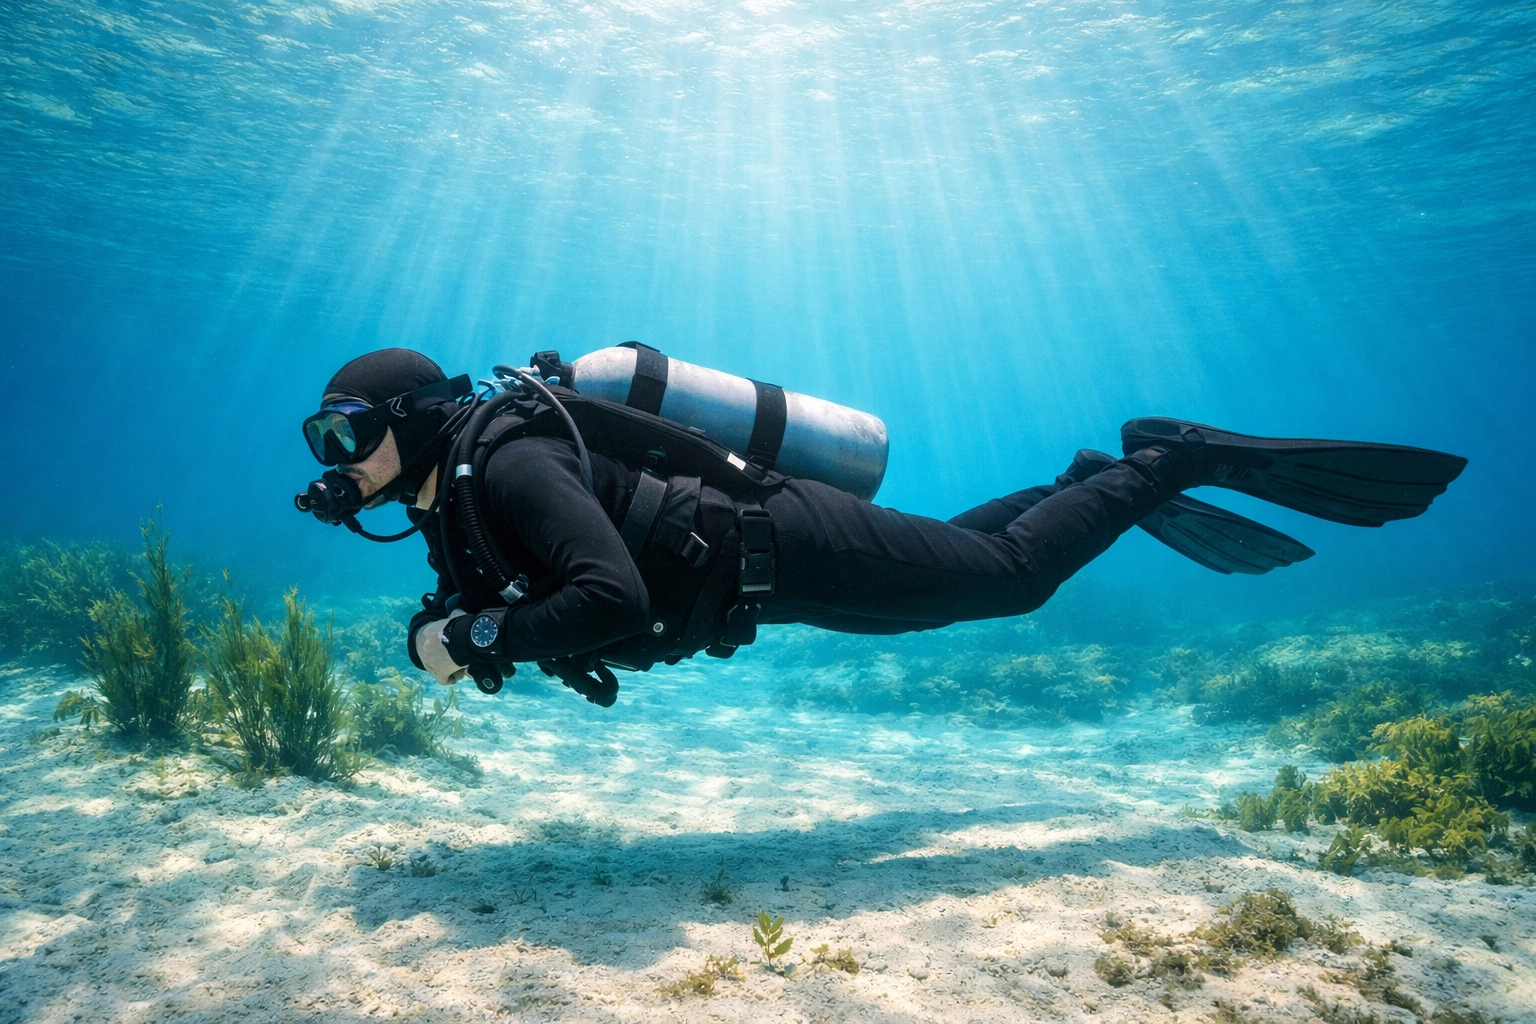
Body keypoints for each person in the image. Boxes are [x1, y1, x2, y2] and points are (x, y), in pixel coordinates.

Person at [298, 348, 1465, 703]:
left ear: (408, 419)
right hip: (771, 574)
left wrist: (484, 643)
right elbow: (498, 604)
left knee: (1008, 578)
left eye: (348, 435)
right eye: (327, 444)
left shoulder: (507, 463)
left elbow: (611, 599)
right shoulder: (455, 499)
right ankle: (1087, 476)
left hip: (780, 541)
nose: (340, 464)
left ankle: (1177, 457)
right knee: (956, 565)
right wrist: (449, 629)